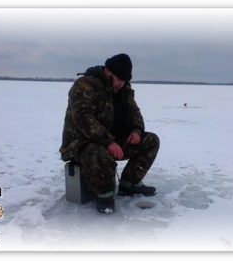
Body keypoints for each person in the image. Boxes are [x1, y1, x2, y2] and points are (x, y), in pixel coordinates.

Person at [59, 53, 160, 214]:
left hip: (111, 140)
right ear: (107, 71)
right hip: (80, 142)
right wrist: (109, 142)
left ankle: (129, 184)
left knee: (151, 140)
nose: (121, 84)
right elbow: (84, 119)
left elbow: (135, 114)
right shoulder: (85, 85)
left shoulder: (124, 90)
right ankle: (104, 193)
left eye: (124, 80)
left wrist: (136, 131)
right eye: (118, 79)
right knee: (98, 152)